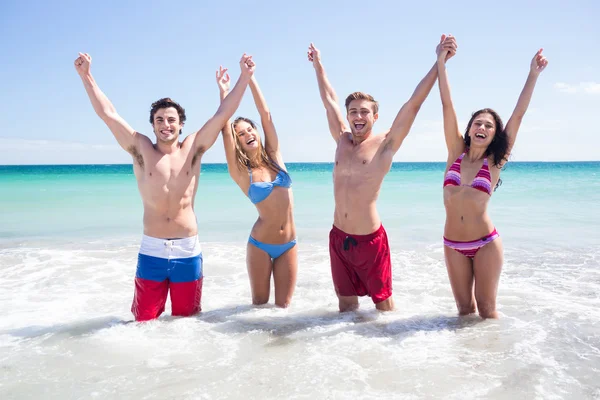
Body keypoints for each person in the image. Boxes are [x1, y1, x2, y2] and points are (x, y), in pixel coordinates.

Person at [74, 52, 256, 321]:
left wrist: (244, 77)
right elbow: (108, 114)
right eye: (159, 120)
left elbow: (222, 115)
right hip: (152, 251)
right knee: (143, 324)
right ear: (152, 125)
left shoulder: (192, 148)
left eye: (171, 120)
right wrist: (86, 76)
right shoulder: (141, 148)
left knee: (188, 323)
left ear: (181, 125)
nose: (165, 125)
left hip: (187, 250)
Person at [308, 36, 457, 312]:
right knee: (346, 309)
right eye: (353, 111)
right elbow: (329, 100)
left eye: (365, 111)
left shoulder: (386, 144)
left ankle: (390, 353)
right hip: (339, 238)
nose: (358, 116)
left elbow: (414, 103)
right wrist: (318, 66)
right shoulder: (341, 140)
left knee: (384, 310)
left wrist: (439, 62)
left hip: (370, 241)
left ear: (375, 117)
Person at [437, 40, 548, 318]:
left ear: (494, 134)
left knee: (487, 310)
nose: (482, 127)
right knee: (463, 311)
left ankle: (494, 358)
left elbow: (518, 115)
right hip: (453, 244)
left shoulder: (494, 163)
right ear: (470, 128)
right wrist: (441, 62)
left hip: (486, 243)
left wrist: (532, 75)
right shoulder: (455, 154)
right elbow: (446, 104)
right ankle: (467, 359)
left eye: (489, 125)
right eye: (478, 123)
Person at [216, 65, 297, 308]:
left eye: (250, 129)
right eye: (241, 134)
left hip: (289, 243)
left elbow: (266, 114)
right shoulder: (241, 173)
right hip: (260, 245)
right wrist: (224, 93)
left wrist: (250, 78)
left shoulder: (274, 155)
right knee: (259, 308)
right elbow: (224, 130)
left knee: (284, 310)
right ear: (238, 142)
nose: (247, 134)